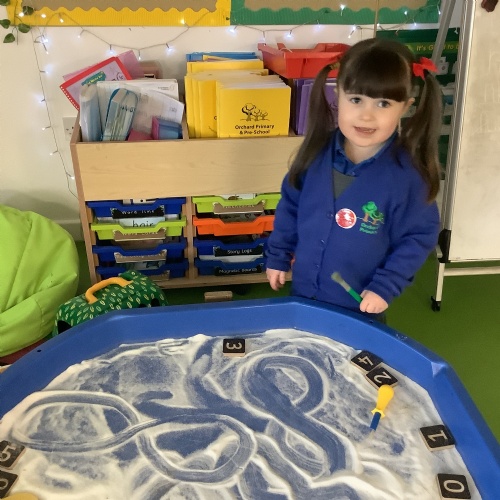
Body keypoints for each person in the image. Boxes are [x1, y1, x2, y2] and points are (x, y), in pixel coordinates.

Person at [265, 37, 442, 320]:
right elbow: (290, 207)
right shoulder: (314, 154)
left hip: (359, 310)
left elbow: (418, 237)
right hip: (303, 297)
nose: (366, 116)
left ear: (405, 107)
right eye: (356, 99)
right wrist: (278, 255)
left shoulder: (408, 177)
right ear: (338, 94)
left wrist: (386, 286)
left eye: (383, 103)